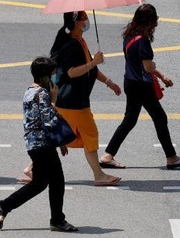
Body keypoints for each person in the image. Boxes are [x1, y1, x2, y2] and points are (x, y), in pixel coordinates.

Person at [26, 11, 122, 186]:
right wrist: (94, 62)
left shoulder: (80, 41)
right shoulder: (72, 45)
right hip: (73, 101)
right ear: (77, 22)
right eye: (84, 18)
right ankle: (99, 175)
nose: (86, 21)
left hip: (71, 100)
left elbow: (90, 70)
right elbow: (72, 72)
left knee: (59, 135)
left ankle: (32, 168)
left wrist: (109, 82)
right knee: (89, 134)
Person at [100, 4, 180, 170]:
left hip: (130, 81)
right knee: (159, 117)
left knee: (130, 120)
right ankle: (171, 157)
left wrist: (162, 76)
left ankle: (108, 155)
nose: (156, 23)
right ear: (149, 21)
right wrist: (157, 70)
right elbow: (148, 67)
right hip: (141, 85)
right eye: (154, 19)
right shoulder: (142, 41)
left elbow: (139, 63)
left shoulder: (129, 36)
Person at [0, 57, 78, 233]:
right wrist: (54, 100)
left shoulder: (29, 91)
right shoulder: (43, 94)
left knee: (39, 183)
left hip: (34, 144)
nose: (54, 78)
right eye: (52, 74)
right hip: (42, 144)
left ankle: (4, 206)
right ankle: (57, 220)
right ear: (45, 76)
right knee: (57, 181)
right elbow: (49, 120)